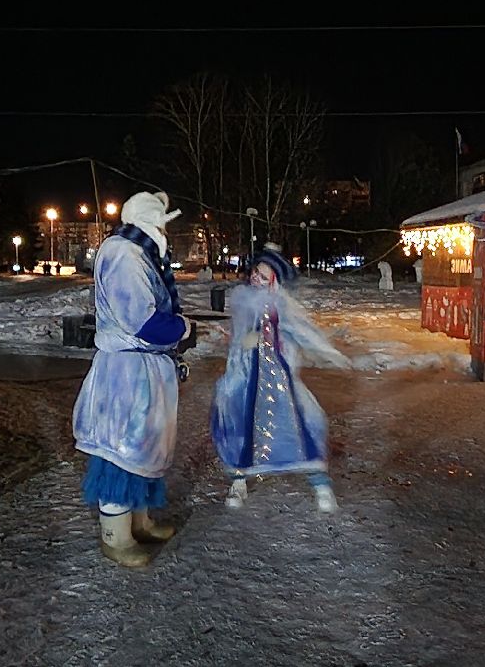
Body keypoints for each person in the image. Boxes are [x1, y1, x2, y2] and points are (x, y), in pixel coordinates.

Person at [73, 191, 196, 567]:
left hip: (146, 371)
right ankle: (117, 536)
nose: (165, 232)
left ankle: (139, 521)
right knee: (121, 453)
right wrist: (184, 328)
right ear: (150, 222)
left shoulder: (139, 253)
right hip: (128, 375)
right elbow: (142, 321)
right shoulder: (124, 254)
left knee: (142, 450)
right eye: (161, 223)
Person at [212, 245, 349, 512]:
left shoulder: (281, 303)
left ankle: (320, 484)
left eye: (263, 275)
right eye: (255, 273)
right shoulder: (242, 300)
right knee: (240, 424)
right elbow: (238, 337)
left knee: (299, 423)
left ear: (274, 278)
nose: (256, 279)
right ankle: (238, 482)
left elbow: (301, 331)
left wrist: (329, 352)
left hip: (277, 376)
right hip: (244, 376)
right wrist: (238, 343)